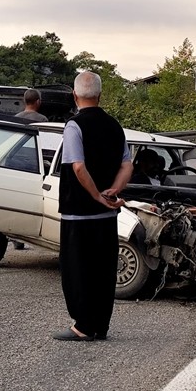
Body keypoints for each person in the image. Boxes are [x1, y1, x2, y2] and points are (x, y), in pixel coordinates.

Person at [54, 71, 132, 341]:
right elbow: (126, 164)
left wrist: (96, 194)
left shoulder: (74, 126)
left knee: (78, 268)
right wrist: (114, 190)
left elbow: (77, 166)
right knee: (103, 269)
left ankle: (83, 326)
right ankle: (101, 325)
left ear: (75, 96)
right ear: (100, 95)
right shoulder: (114, 126)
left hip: (79, 213)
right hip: (106, 215)